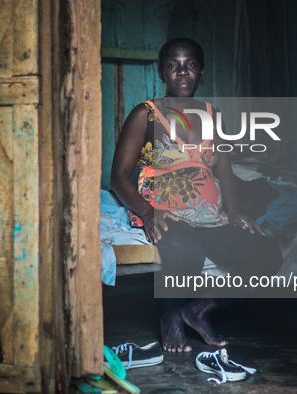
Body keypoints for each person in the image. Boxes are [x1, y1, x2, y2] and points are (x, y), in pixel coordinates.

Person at [111, 37, 282, 353]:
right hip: (165, 214)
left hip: (210, 217)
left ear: (201, 72)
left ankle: (199, 309)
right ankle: (171, 315)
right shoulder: (144, 115)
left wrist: (234, 212)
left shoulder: (213, 116)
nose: (182, 72)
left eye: (190, 65)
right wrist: (148, 212)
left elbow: (224, 170)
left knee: (266, 254)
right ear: (162, 73)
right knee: (184, 251)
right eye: (173, 66)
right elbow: (119, 176)